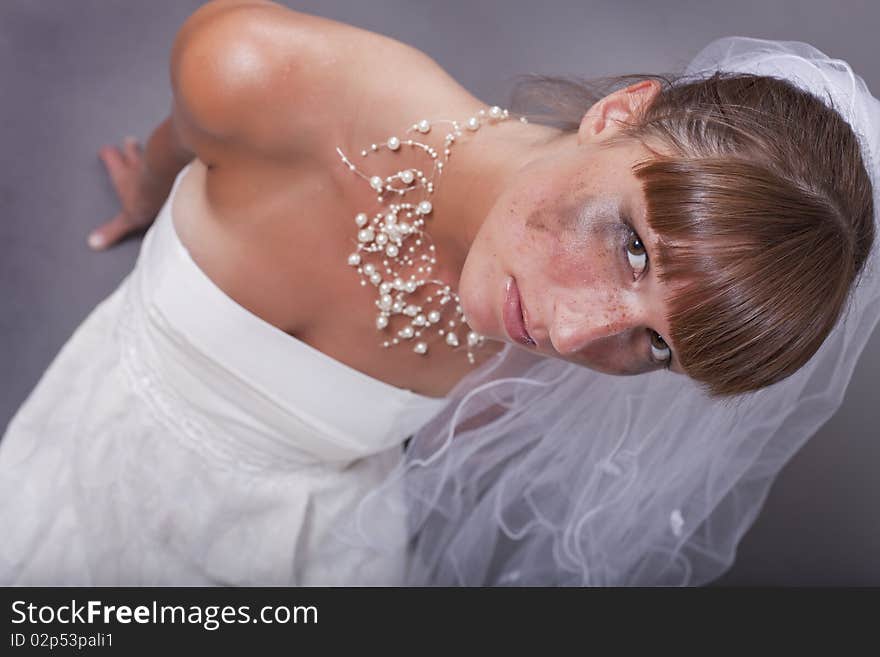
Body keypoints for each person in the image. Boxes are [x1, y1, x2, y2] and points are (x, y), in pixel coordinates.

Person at [0, 0, 877, 585]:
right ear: (618, 113)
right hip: (96, 460)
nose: (571, 336)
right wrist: (150, 192)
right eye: (635, 250)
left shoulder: (551, 325)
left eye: (658, 348)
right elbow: (183, 131)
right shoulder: (258, 71)